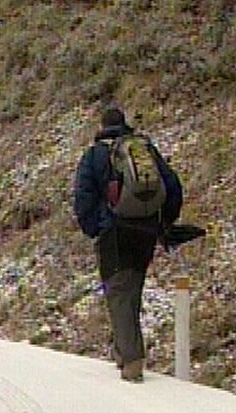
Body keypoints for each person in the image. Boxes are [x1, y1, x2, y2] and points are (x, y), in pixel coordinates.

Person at [73, 107, 183, 382]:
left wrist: (94, 228)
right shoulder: (144, 149)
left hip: (114, 231)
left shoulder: (95, 155)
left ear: (102, 126)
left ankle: (131, 360)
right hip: (146, 229)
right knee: (132, 285)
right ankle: (125, 350)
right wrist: (164, 221)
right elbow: (172, 185)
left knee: (119, 292)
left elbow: (84, 196)